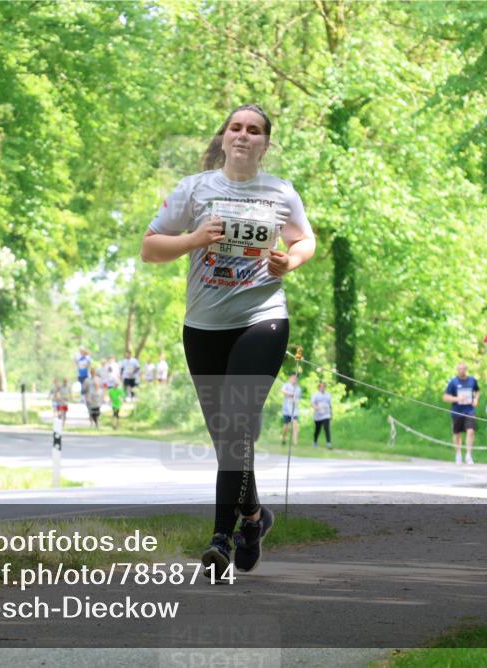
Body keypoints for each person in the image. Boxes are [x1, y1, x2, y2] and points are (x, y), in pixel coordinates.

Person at [141, 103, 315, 579]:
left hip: (262, 319)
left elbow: (305, 240)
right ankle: (255, 518)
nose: (243, 135)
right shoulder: (194, 189)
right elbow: (150, 247)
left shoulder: (280, 192)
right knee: (227, 440)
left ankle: (220, 536)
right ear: (223, 137)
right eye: (235, 127)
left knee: (239, 424)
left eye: (254, 130)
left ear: (265, 143)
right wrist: (195, 239)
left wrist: (291, 261)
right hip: (204, 327)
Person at [442, 363, 480, 465]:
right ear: (457, 370)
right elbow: (445, 397)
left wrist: (476, 399)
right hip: (457, 411)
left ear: (466, 369)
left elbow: (477, 391)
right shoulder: (453, 382)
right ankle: (458, 454)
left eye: (463, 369)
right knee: (457, 434)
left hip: (469, 411)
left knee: (471, 431)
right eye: (459, 369)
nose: (461, 371)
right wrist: (457, 399)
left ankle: (468, 455)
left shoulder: (472, 380)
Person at [281, 373, 301, 446]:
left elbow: (298, 398)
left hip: (294, 410)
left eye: (296, 378)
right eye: (293, 378)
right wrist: (290, 394)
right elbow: (282, 390)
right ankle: (283, 438)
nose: (294, 379)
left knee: (295, 425)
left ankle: (295, 442)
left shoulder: (298, 388)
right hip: (286, 409)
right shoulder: (286, 385)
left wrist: (296, 400)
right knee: (286, 426)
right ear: (290, 378)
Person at [311, 381, 333, 450]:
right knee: (318, 429)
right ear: (319, 387)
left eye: (324, 386)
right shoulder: (315, 395)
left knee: (327, 428)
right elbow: (312, 403)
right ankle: (315, 441)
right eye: (321, 386)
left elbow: (330, 405)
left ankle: (328, 443)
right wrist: (316, 407)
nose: (323, 388)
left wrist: (331, 414)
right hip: (318, 415)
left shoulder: (328, 395)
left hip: (326, 415)